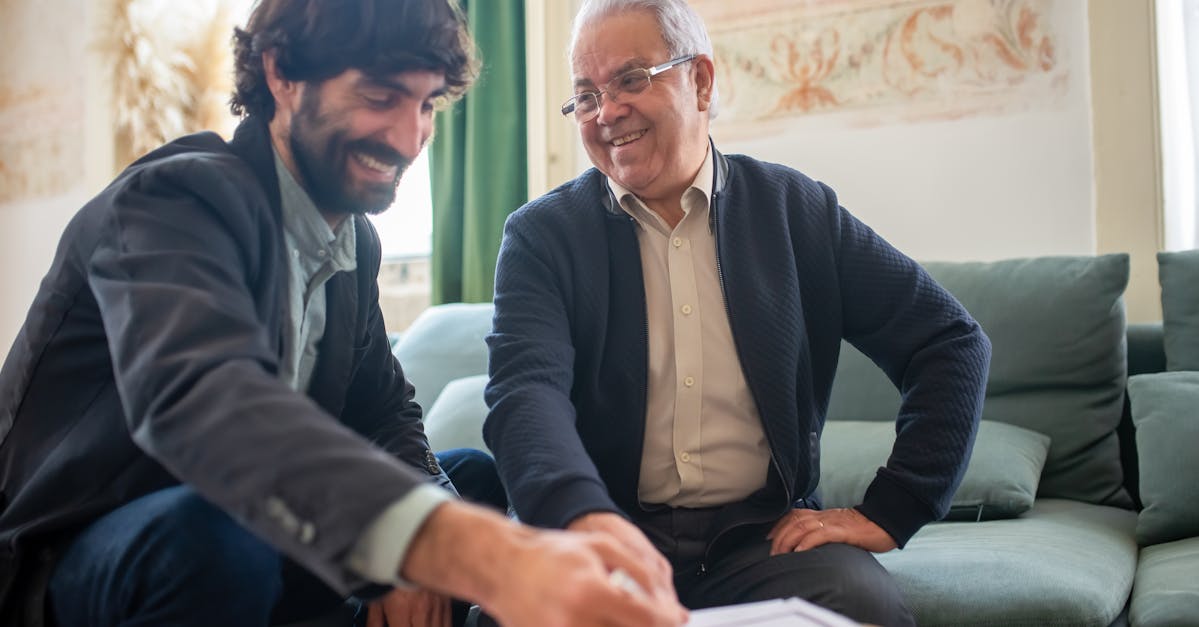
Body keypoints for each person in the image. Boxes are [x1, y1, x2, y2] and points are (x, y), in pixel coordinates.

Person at [0, 1, 688, 626]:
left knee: (468, 481)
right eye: (381, 97)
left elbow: (384, 409)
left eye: (425, 105)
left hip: (245, 532)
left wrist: (420, 538)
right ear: (281, 74)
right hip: (78, 555)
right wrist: (448, 550)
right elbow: (209, 402)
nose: (408, 137)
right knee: (218, 536)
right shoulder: (175, 201)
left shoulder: (352, 241)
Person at [483, 1, 993, 625]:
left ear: (699, 80)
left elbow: (948, 341)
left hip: (763, 540)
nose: (607, 112)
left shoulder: (795, 211)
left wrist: (894, 507)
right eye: (585, 96)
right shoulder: (541, 237)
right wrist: (580, 519)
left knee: (864, 608)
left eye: (630, 80)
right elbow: (525, 397)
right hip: (600, 534)